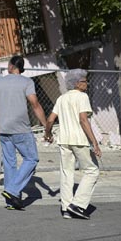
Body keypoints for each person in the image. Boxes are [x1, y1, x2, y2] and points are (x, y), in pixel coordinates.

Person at [0, 55, 47, 210]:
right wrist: (46, 125)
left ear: (12, 66)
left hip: (5, 129)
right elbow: (34, 104)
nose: (7, 66)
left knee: (9, 163)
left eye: (8, 64)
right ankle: (12, 191)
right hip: (21, 129)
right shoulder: (27, 82)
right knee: (31, 158)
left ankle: (11, 201)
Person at [44, 69, 101, 220]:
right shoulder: (82, 97)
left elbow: (50, 120)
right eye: (84, 81)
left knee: (66, 173)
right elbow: (83, 119)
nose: (86, 83)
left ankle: (66, 208)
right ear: (76, 83)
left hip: (64, 140)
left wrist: (47, 134)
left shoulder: (61, 99)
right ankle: (78, 205)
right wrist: (94, 142)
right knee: (92, 171)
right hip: (79, 140)